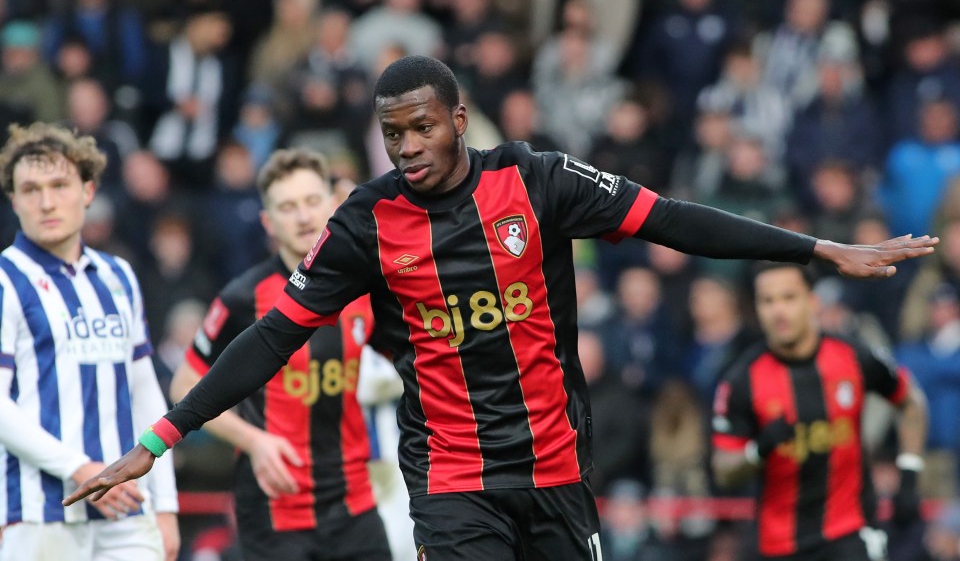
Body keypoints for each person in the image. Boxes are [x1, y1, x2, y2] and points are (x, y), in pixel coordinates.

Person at [66, 56, 938, 561]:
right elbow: (272, 339)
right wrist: (156, 443)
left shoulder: (537, 180)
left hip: (557, 469)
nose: (407, 146)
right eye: (392, 133)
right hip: (450, 479)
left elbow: (673, 221)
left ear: (459, 115)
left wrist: (817, 248)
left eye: (422, 127)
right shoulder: (366, 222)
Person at [167, 149, 392, 561]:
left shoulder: (366, 284)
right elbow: (184, 385)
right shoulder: (241, 298)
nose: (304, 217)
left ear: (331, 204)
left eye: (311, 201)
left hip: (355, 502)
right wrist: (253, 441)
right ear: (269, 222)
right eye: (288, 207)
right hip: (273, 509)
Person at [0, 123, 178, 560]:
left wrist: (167, 502)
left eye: (59, 184)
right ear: (14, 200)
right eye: (31, 189)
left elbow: (143, 389)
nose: (46, 201)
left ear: (88, 190)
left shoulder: (119, 275)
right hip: (40, 515)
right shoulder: (6, 280)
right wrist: (81, 470)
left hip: (128, 508)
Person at [711, 262, 929, 561]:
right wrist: (757, 451)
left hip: (851, 532)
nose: (778, 311)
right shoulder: (741, 380)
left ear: (812, 301)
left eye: (789, 298)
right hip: (778, 543)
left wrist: (909, 473)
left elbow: (911, 402)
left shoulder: (853, 355)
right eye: (768, 301)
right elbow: (723, 470)